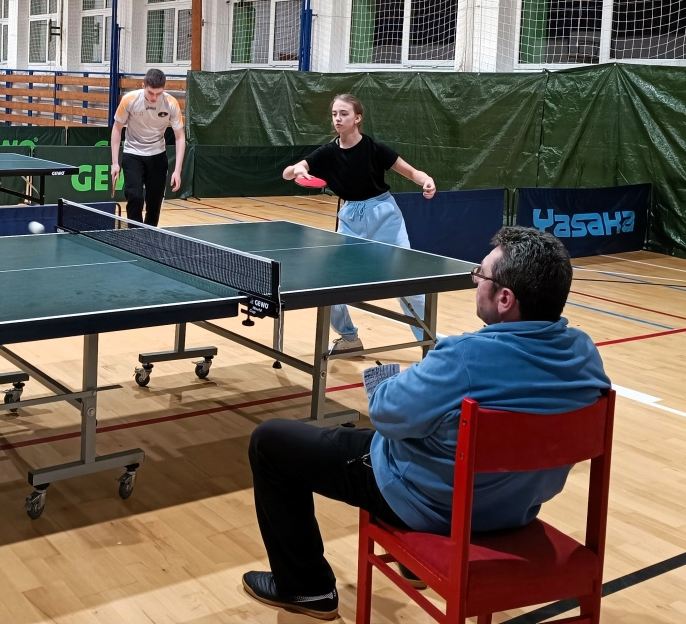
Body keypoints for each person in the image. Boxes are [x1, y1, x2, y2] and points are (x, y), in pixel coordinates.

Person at [241, 227, 611, 619]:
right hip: (516, 509)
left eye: (481, 274)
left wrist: (382, 381)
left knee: (270, 442)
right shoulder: (585, 354)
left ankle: (306, 589)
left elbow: (387, 416)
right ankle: (411, 566)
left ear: (505, 299)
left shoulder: (463, 357)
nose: (476, 281)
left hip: (434, 508)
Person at [281, 93, 435, 354]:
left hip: (384, 216)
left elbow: (410, 171)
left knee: (408, 283)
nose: (338, 119)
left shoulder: (375, 148)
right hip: (351, 219)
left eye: (344, 114)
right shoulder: (327, 152)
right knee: (329, 283)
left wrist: (426, 180)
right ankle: (349, 338)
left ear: (357, 118)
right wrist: (297, 169)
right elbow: (287, 173)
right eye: (334, 114)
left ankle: (430, 344)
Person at [108, 68, 185, 227]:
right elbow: (117, 128)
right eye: (150, 93)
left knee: (154, 203)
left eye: (158, 94)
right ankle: (135, 234)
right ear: (143, 86)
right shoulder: (129, 100)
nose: (154, 98)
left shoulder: (171, 103)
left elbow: (180, 136)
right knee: (135, 197)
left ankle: (149, 234)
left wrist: (177, 171)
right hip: (133, 153)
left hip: (157, 155)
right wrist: (115, 163)